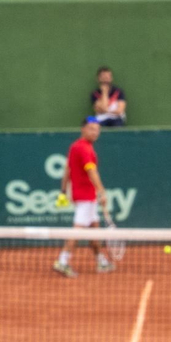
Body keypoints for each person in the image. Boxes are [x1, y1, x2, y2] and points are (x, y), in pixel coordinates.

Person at [52, 119, 117, 278]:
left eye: (97, 129)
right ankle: (63, 260)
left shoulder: (75, 146)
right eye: (91, 129)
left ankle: (101, 261)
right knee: (78, 231)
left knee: (94, 229)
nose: (95, 132)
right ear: (83, 129)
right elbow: (91, 171)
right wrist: (101, 191)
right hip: (86, 196)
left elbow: (67, 170)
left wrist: (63, 191)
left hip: (83, 196)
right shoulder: (84, 148)